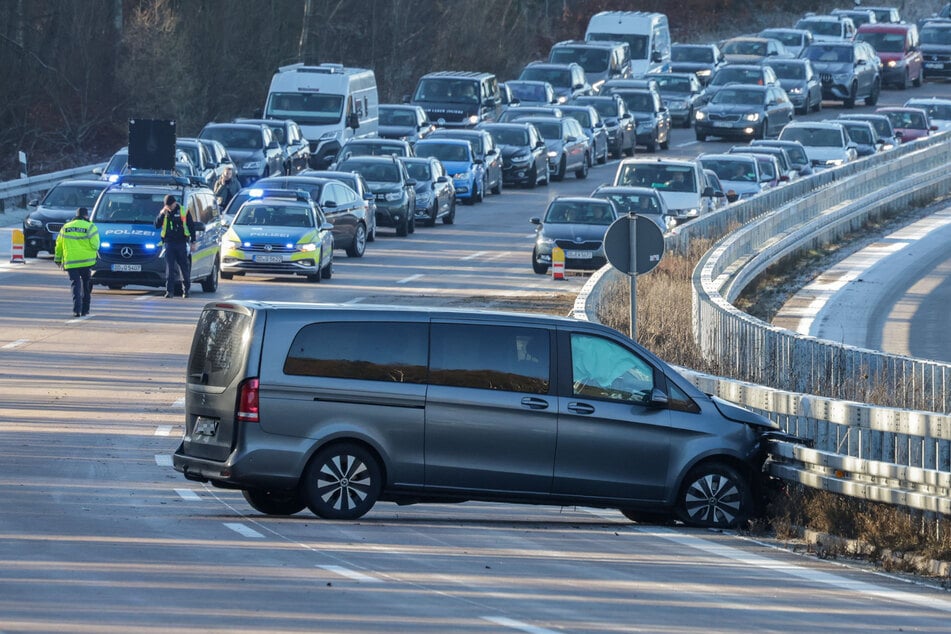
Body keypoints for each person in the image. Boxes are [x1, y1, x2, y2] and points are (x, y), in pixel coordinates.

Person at [54, 207, 100, 318]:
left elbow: (59, 245)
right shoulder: (90, 227)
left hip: (71, 262)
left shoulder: (66, 227)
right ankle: (85, 310)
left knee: (75, 284)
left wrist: (58, 259)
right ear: (86, 216)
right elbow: (95, 245)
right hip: (86, 262)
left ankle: (76, 310)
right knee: (86, 284)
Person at [154, 194, 196, 298]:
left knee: (184, 268)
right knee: (170, 269)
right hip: (169, 243)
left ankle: (186, 290)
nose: (169, 207)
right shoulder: (164, 212)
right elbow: (156, 225)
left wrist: (193, 242)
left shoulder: (183, 210)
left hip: (181, 243)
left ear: (174, 203)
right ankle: (169, 291)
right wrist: (162, 214)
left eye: (171, 205)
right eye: (167, 206)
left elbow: (191, 226)